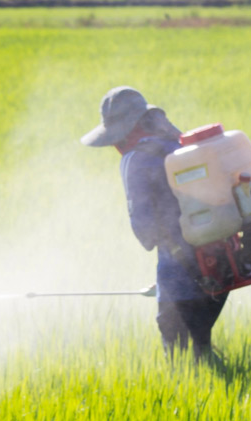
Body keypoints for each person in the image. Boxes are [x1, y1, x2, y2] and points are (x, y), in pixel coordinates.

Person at [82, 86, 227, 361]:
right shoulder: (179, 145)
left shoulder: (136, 159)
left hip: (183, 274)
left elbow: (146, 227)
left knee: (181, 362)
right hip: (224, 264)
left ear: (126, 131)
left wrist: (170, 277)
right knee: (201, 348)